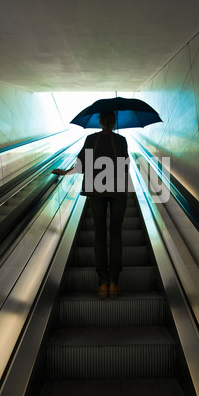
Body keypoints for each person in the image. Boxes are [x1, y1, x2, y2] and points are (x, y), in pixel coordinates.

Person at [52, 111, 129, 299]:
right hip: (118, 191)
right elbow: (125, 166)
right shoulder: (121, 140)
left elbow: (80, 166)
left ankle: (103, 283)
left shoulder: (91, 139)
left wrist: (65, 173)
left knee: (100, 234)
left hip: (96, 191)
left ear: (100, 121)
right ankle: (114, 283)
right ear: (113, 122)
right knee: (116, 233)